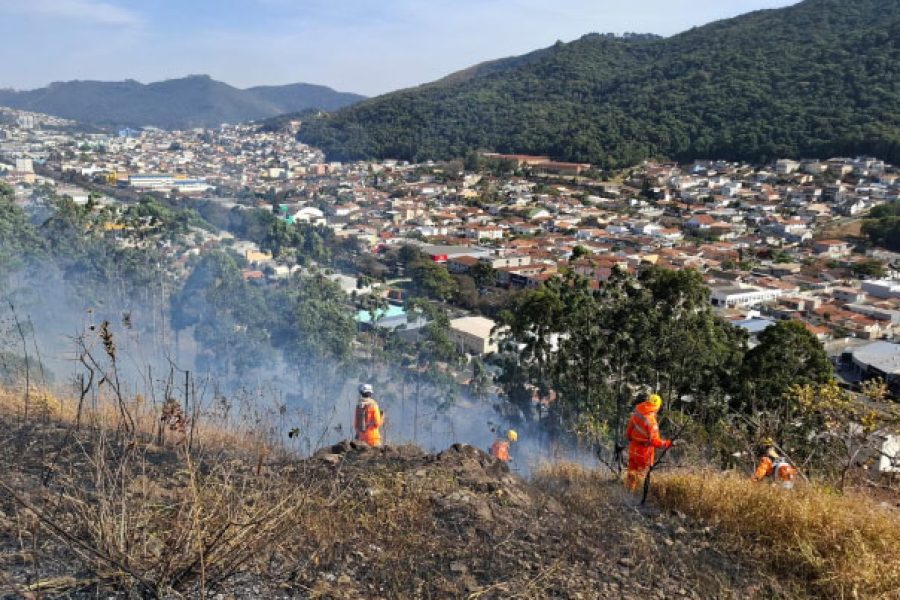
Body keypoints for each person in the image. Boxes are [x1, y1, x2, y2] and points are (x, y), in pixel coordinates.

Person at [625, 393, 671, 491]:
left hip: (633, 447)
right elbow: (655, 442)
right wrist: (668, 444)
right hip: (645, 451)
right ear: (657, 407)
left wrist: (633, 440)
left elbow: (628, 433)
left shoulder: (636, 414)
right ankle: (639, 497)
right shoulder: (651, 421)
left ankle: (629, 493)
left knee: (632, 473)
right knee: (642, 475)